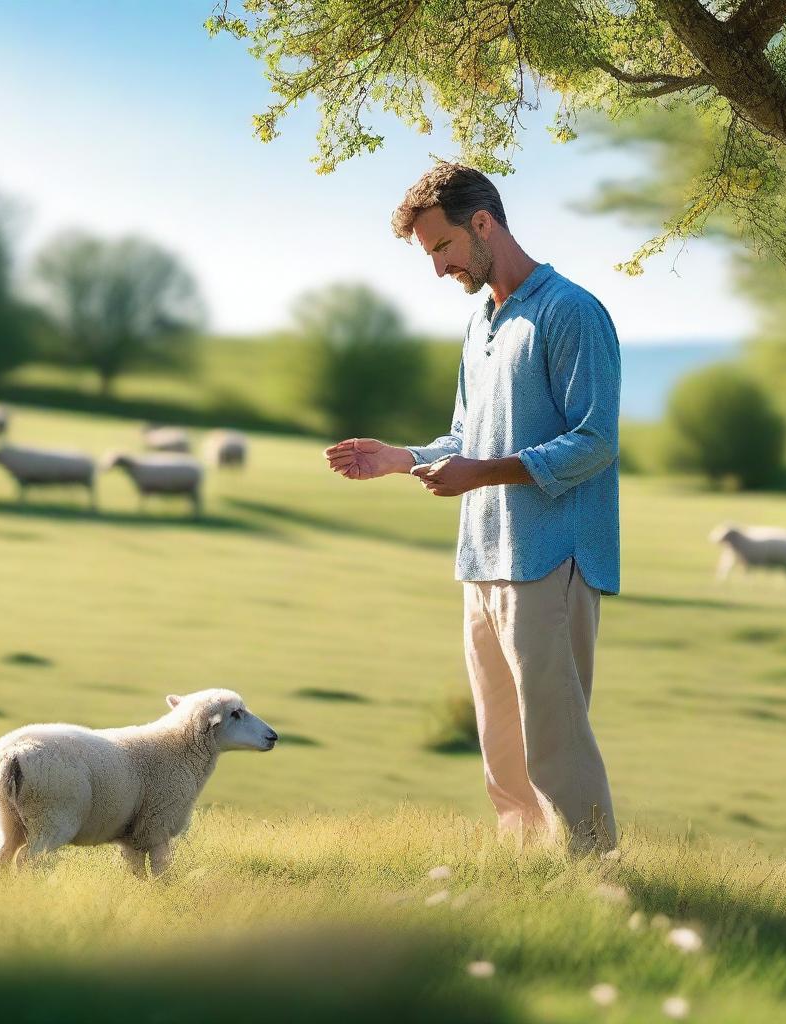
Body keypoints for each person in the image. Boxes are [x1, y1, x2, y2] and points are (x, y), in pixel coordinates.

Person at [324, 163, 621, 853]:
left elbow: (595, 439)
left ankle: (593, 873)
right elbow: (466, 438)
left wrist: (480, 472)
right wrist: (402, 456)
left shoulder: (569, 311)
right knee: (500, 739)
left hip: (551, 557)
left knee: (553, 734)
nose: (437, 268)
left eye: (441, 248)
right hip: (482, 557)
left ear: (482, 224)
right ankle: (526, 865)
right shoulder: (481, 324)